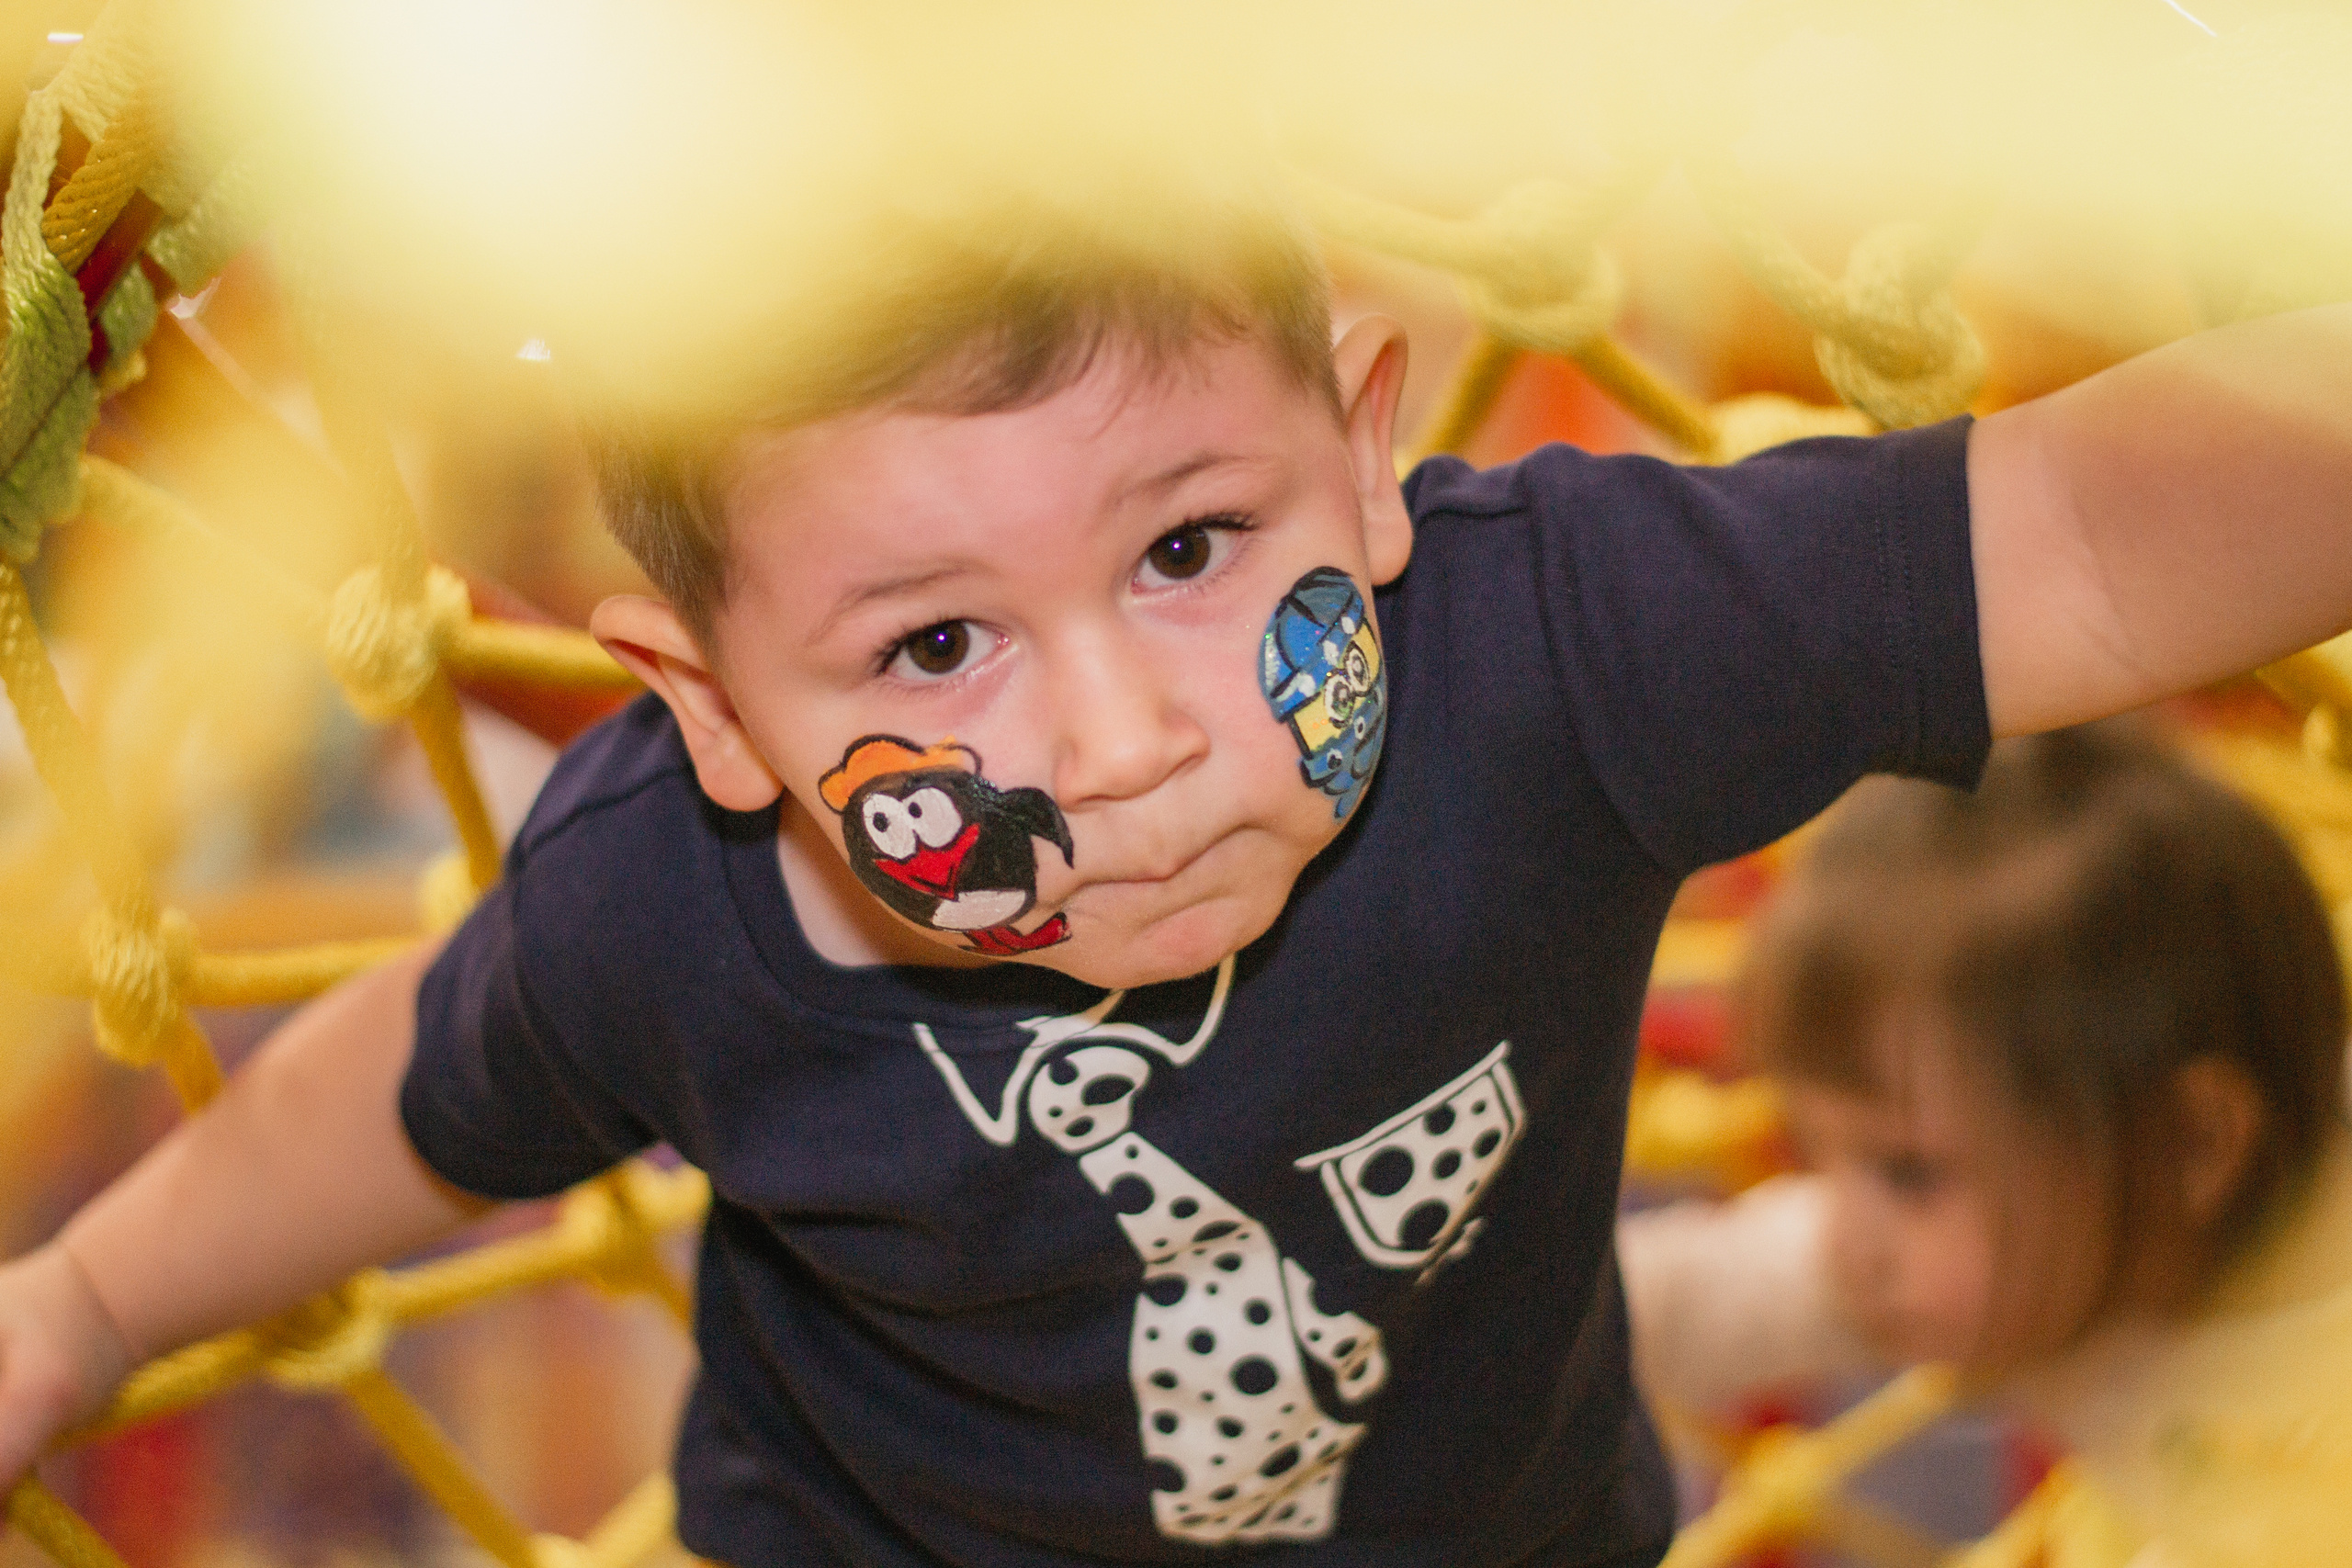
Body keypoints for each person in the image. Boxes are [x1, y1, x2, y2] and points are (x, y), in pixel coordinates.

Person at [0, 173, 2348, 1568]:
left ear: (1362, 457)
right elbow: (413, 1092)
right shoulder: (664, 899)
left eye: (1192, 546)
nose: (1126, 745)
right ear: (709, 708)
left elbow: (2065, 536)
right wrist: (86, 1301)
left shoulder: (1549, 649)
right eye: (936, 644)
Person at [1623, 725, 2352, 1567]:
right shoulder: (2062, 1232)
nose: (1850, 1240)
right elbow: (1703, 1298)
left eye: (1908, 1173)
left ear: (2192, 1146)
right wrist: (1512, 1331)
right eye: (1822, 1155)